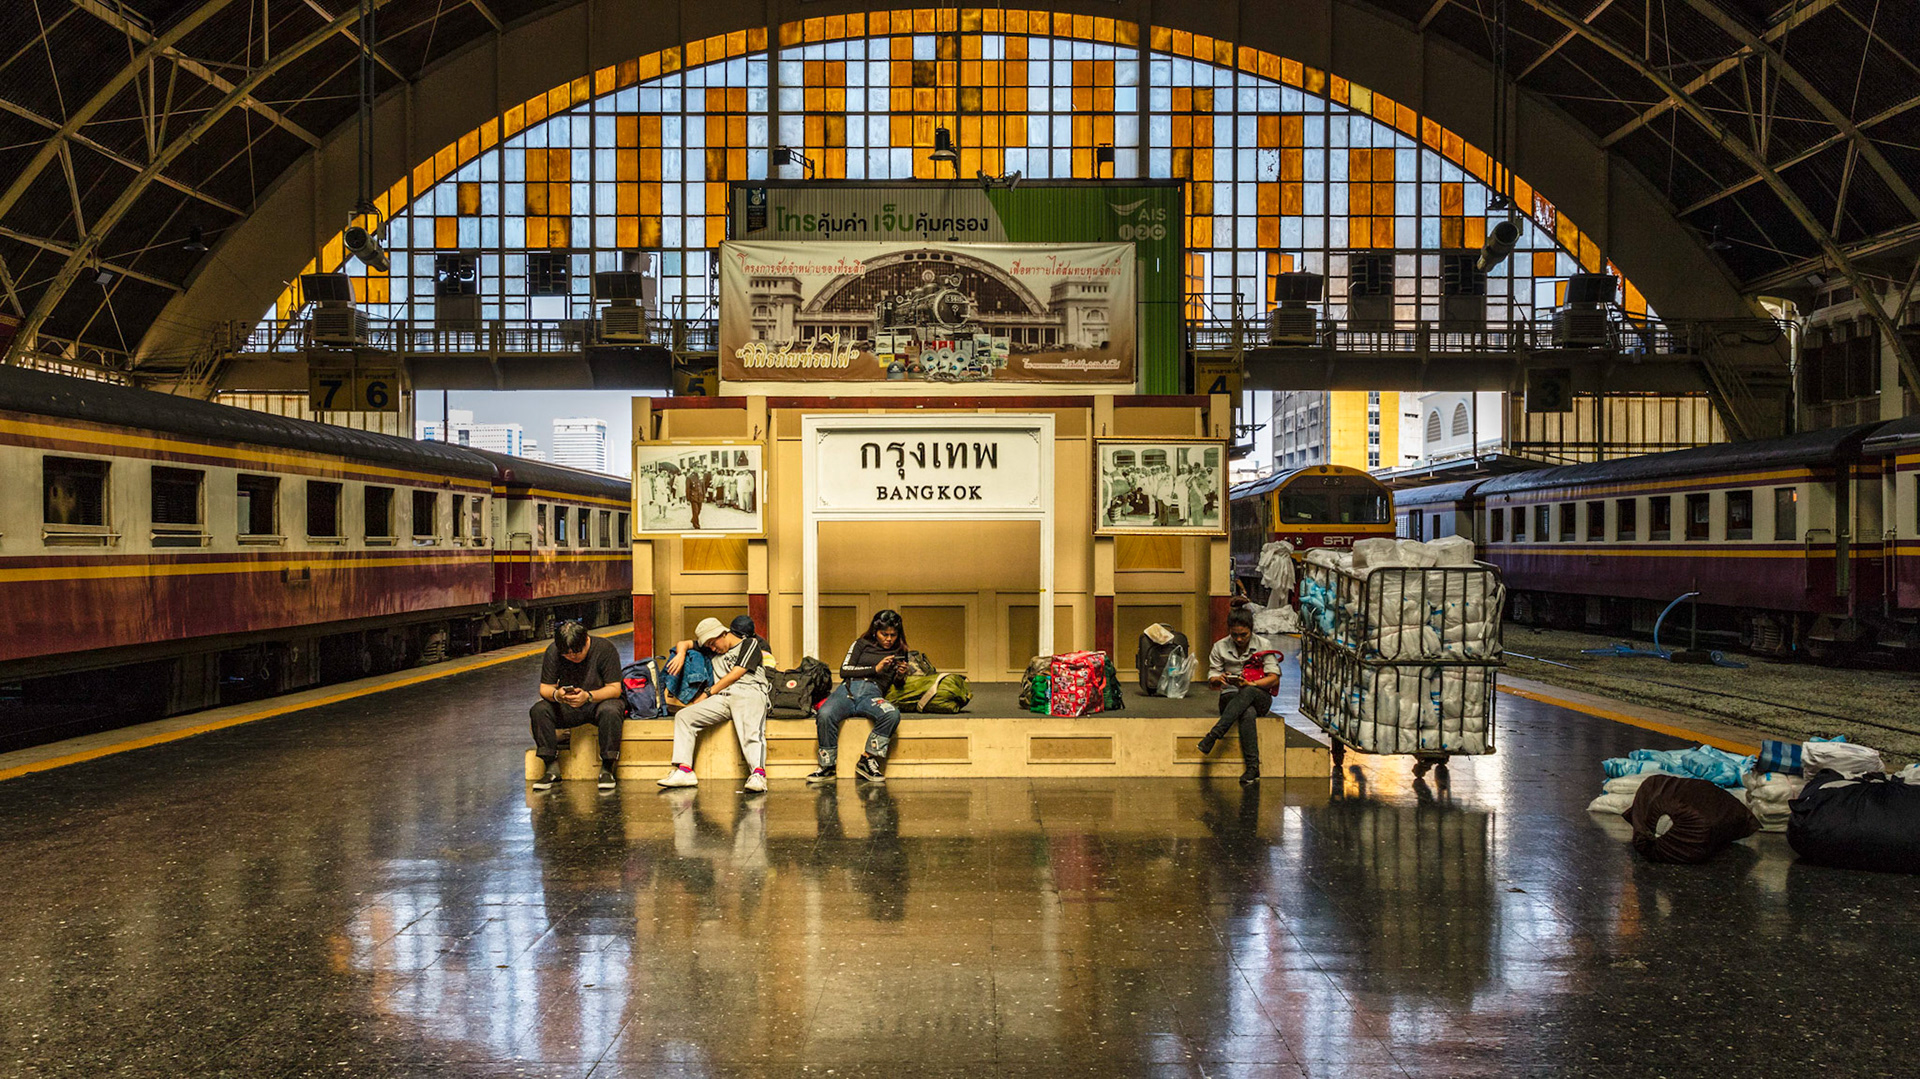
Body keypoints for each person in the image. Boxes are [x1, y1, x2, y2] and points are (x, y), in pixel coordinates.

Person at [658, 616, 777, 792]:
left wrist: (707, 693)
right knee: (684, 716)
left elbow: (737, 673)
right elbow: (684, 643)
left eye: (714, 644)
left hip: (749, 691)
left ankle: (758, 775)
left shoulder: (750, 644)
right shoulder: (712, 647)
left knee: (751, 732)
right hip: (723, 696)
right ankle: (685, 771)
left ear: (723, 634)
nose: (713, 649)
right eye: (709, 646)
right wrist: (681, 654)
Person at [809, 609, 910, 784]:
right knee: (825, 714)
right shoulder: (861, 644)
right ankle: (827, 766)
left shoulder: (900, 650)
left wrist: (901, 674)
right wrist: (875, 669)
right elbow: (844, 670)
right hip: (847, 691)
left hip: (872, 694)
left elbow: (897, 684)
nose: (888, 639)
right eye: (884, 634)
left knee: (891, 713)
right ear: (875, 631)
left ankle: (867, 759)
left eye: (893, 635)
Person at [530, 620, 627, 792]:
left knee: (611, 710)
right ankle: (551, 766)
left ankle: (607, 766)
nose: (572, 657)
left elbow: (614, 689)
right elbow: (545, 688)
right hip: (569, 704)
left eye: (576, 653)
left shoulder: (605, 649)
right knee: (539, 710)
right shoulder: (554, 651)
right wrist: (557, 695)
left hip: (597, 702)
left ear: (586, 641)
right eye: (566, 655)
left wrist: (589, 696)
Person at [1195, 609, 1280, 784]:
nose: (1239, 639)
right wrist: (1219, 679)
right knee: (1247, 712)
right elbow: (1212, 680)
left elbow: (1273, 677)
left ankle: (1213, 736)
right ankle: (1252, 768)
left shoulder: (1264, 644)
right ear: (1229, 631)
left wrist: (1252, 684)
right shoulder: (1220, 646)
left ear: (1251, 630)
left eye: (1243, 635)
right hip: (1231, 695)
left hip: (1259, 696)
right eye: (1235, 635)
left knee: (1248, 692)